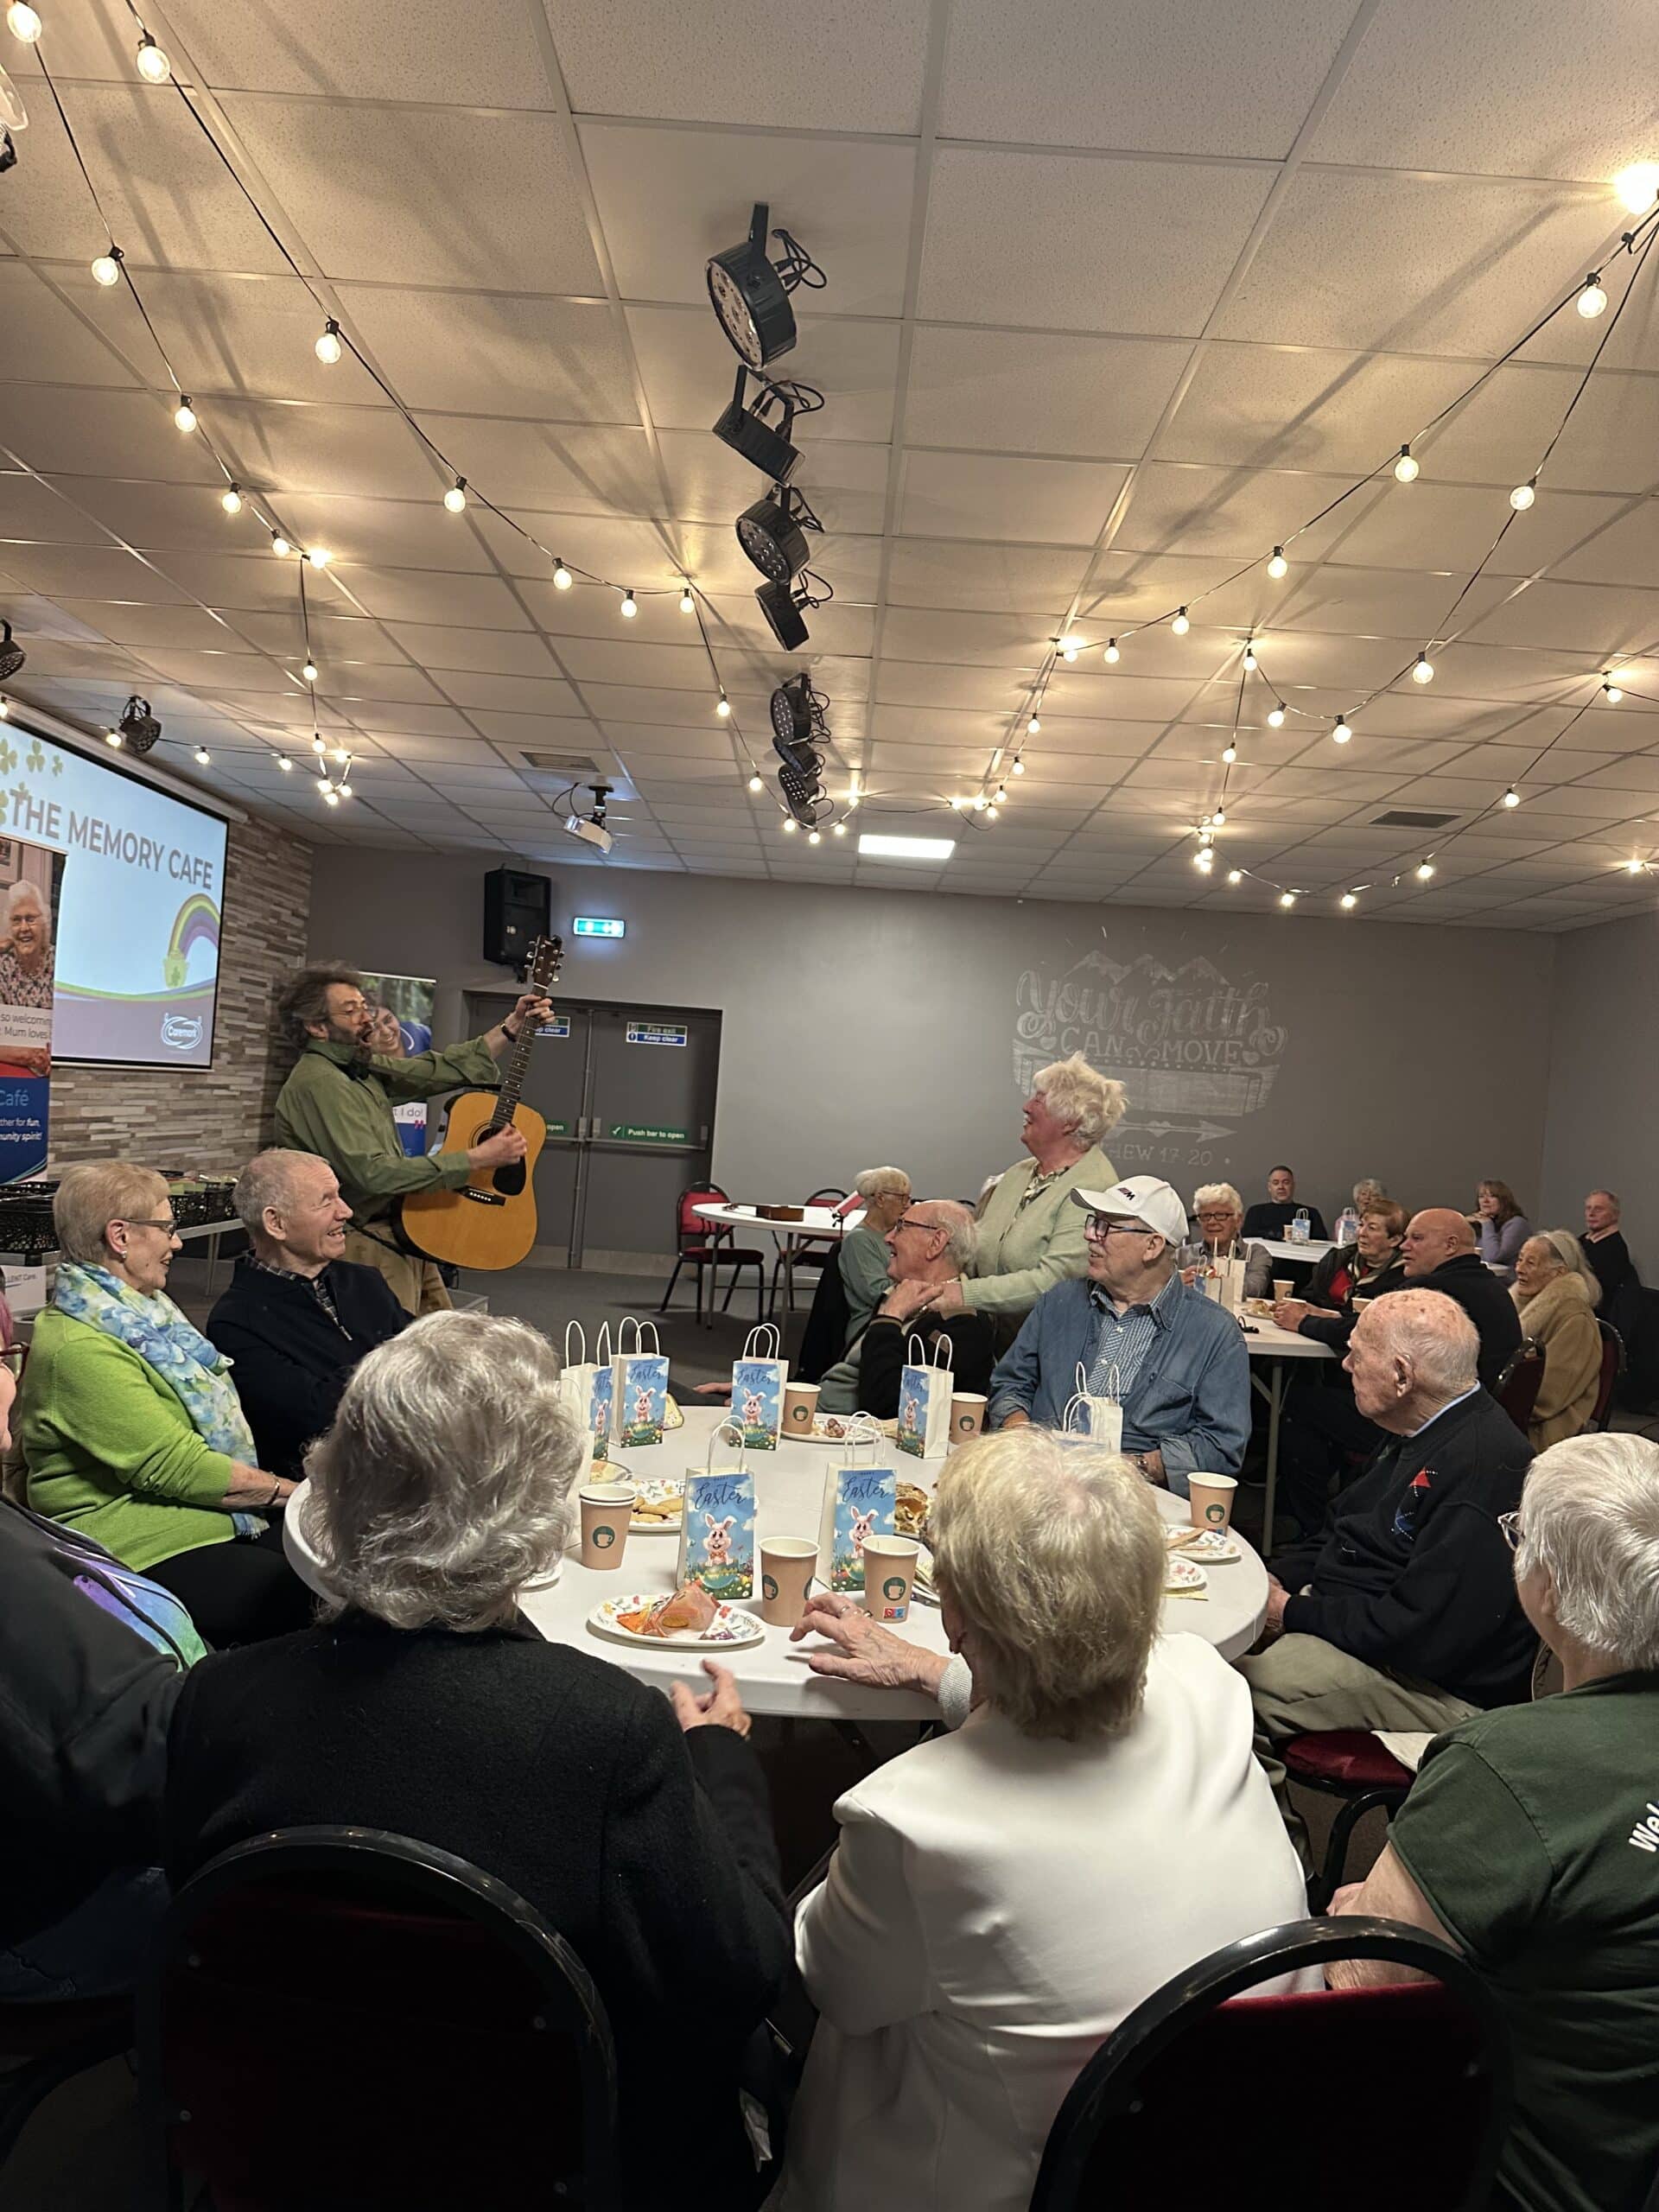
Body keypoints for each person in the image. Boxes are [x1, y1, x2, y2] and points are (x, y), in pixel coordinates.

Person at [163, 1313, 790, 2202]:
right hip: (542, 2157)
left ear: (335, 1477)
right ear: (537, 1515)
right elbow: (742, 1974)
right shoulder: (605, 1728)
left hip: (277, 2138)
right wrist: (720, 1765)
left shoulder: (216, 1696)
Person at [770, 1429, 1308, 2212]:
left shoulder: (912, 1820)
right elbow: (1072, 1695)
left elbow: (830, 1983)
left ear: (954, 1616)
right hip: (1230, 2154)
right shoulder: (1210, 1689)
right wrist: (937, 1675)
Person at [1327, 1432, 1659, 2212]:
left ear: (1544, 1586)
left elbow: (1362, 1989)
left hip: (1512, 2177)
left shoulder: (1508, 1766)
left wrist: (1357, 1920)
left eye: (1517, 1535)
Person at [1239, 1291, 1535, 1864]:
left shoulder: (1481, 1471)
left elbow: (1420, 1633)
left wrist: (1291, 1613)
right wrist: (1272, 1578)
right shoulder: (1423, 1427)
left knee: (1230, 1695)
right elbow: (1345, 1535)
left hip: (1441, 1687)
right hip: (1376, 1626)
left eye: (1356, 1354)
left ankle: (1275, 1874)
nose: (1346, 1366)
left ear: (1402, 1375)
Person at [20, 1162, 311, 1649]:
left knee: (334, 1563)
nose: (177, 1243)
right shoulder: (79, 1345)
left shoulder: (141, 1309)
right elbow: (176, 1467)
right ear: (120, 1237)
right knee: (311, 1595)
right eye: (167, 1229)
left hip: (193, 1515)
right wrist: (299, 1494)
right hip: (132, 1538)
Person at [0, 1358, 206, 2001]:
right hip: (48, 1917)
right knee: (308, 1915)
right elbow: (146, 1775)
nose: (15, 1380)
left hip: (62, 1850)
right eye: (3, 1360)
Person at [272, 961, 552, 1317]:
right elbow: (373, 1173)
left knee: (442, 1343)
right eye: (350, 1010)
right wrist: (476, 1159)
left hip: (403, 1234)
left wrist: (510, 1027)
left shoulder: (358, 1070)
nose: (367, 1018)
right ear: (316, 1027)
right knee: (392, 1355)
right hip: (362, 1244)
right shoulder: (321, 1083)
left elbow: (432, 1072)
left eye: (363, 1006)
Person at [988, 1176, 1251, 1494]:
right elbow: (1011, 1382)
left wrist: (1131, 1467)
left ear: (1152, 1246)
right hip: (1033, 1482)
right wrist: (1023, 1437)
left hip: (1136, 1499)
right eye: (1092, 1223)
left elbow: (1221, 1445)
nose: (1089, 1236)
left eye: (1105, 1227)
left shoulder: (1214, 1333)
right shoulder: (1060, 1302)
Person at [205, 1150, 408, 1481]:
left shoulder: (363, 1280)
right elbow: (319, 1418)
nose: (346, 1211)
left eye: (339, 1196)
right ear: (276, 1223)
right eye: (326, 1201)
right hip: (330, 1489)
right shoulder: (235, 1323)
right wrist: (396, 1360)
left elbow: (424, 1347)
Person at [929, 1053, 1126, 1347]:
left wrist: (962, 1293)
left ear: (1070, 1121)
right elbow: (976, 1256)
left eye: (1040, 1099)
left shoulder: (1095, 1189)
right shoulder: (1017, 1174)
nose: (1026, 1106)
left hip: (1044, 1356)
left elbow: (1054, 1282)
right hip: (988, 1345)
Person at [817, 1200, 995, 1417]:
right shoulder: (899, 1295)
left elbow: (888, 1407)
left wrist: (890, 1318)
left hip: (855, 1434)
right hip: (825, 1412)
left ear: (936, 1242)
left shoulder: (963, 1323)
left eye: (901, 1227)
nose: (888, 1238)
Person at [1510, 1230, 1603, 1450]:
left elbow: (1547, 1396)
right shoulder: (1522, 1303)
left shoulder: (1576, 1318)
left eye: (1530, 1263)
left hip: (1548, 1428)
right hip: (1518, 1414)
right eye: (1520, 1259)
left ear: (1559, 1273)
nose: (1519, 1269)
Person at [1273, 1198, 1408, 1344]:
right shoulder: (1337, 1260)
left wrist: (1318, 1315)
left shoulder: (1404, 1278)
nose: (1362, 1233)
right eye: (1361, 1225)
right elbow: (1309, 1297)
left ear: (1394, 1240)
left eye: (1372, 1228)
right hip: (1309, 1337)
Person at [835, 1166, 911, 1344]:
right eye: (902, 1198)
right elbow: (876, 1293)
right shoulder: (859, 1240)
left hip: (896, 1321)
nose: (908, 1205)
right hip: (870, 1329)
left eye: (909, 1198)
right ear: (880, 1199)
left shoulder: (897, 1234)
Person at [1185, 1181, 1271, 1297]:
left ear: (1238, 1220)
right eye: (1205, 1216)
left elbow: (1255, 1289)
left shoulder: (1255, 1254)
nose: (1212, 1222)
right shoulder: (1182, 1255)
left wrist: (1210, 1281)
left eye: (1221, 1215)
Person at [1242, 1165, 1328, 1242]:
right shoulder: (1256, 1212)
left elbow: (1322, 1242)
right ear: (1269, 1187)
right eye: (1276, 1183)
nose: (1281, 1187)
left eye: (1286, 1182)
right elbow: (1247, 1238)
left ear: (1293, 1186)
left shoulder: (1310, 1213)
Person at [1581, 1188, 1637, 1300]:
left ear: (1615, 1215)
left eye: (1598, 1209)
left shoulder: (1615, 1249)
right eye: (1588, 1208)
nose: (1591, 1214)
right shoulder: (1581, 1240)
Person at [1476, 1179, 1532, 1283]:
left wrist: (1487, 1224)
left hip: (1508, 1283)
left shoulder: (1517, 1224)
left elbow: (1493, 1257)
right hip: (1484, 1279)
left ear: (1504, 1200)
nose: (1485, 1201)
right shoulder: (1481, 1223)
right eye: (1481, 1196)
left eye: (1492, 1196)